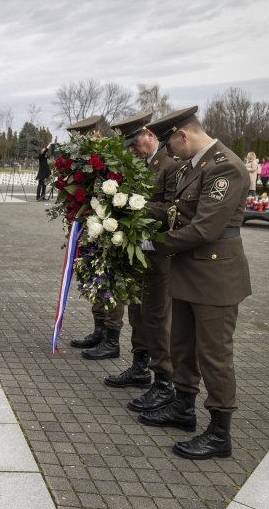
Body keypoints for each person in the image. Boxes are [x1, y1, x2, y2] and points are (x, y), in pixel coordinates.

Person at [138, 106, 251, 460]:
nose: (168, 152)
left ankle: (220, 433)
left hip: (215, 277)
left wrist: (151, 244)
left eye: (170, 143)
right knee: (182, 346)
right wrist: (134, 207)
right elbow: (175, 210)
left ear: (182, 135)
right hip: (188, 272)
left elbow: (204, 229)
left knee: (214, 356)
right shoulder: (196, 165)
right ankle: (183, 409)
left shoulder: (225, 168)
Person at [104, 112, 182, 414]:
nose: (132, 150)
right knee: (137, 309)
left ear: (149, 134)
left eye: (134, 143)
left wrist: (133, 205)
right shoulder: (146, 163)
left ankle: (164, 382)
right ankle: (140, 366)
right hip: (140, 252)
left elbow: (174, 209)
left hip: (159, 253)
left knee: (158, 317)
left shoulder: (170, 164)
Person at [65, 115, 126, 360]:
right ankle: (99, 330)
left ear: (97, 135)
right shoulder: (88, 162)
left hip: (110, 230)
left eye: (83, 137)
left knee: (110, 281)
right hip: (91, 227)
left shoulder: (115, 160)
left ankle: (112, 338)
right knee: (95, 277)